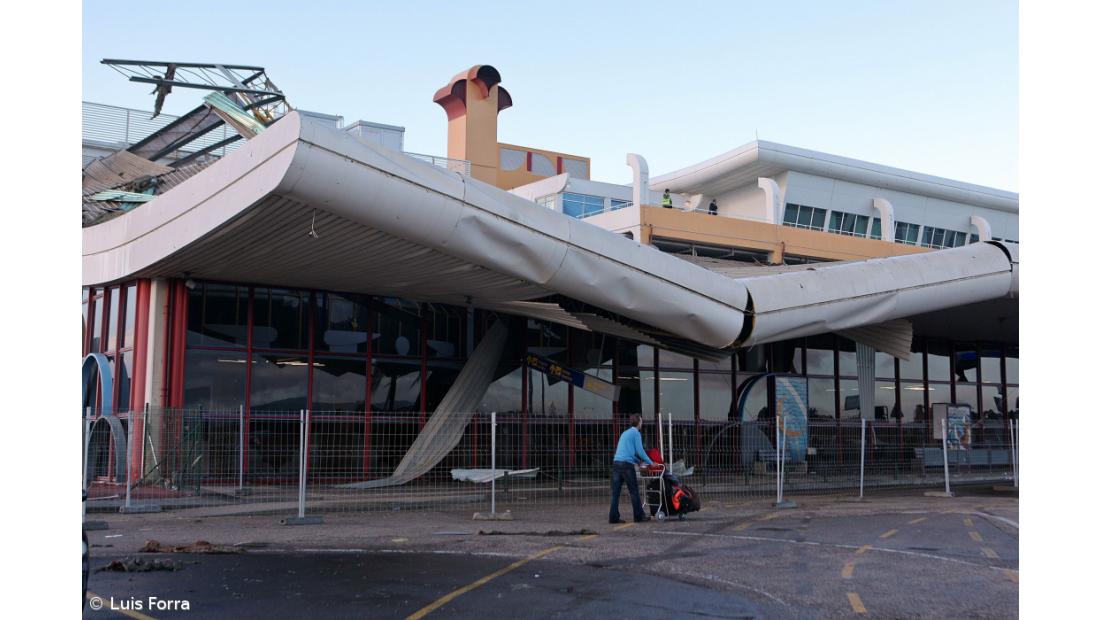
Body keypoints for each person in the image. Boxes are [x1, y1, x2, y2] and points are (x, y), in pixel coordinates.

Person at [609, 414, 654, 523]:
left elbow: (626, 451)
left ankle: (613, 517)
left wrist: (637, 461)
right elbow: (640, 451)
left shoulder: (625, 433)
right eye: (641, 421)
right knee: (634, 491)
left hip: (616, 463)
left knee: (615, 493)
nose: (642, 423)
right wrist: (651, 463)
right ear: (638, 422)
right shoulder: (636, 433)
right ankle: (639, 516)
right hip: (626, 466)